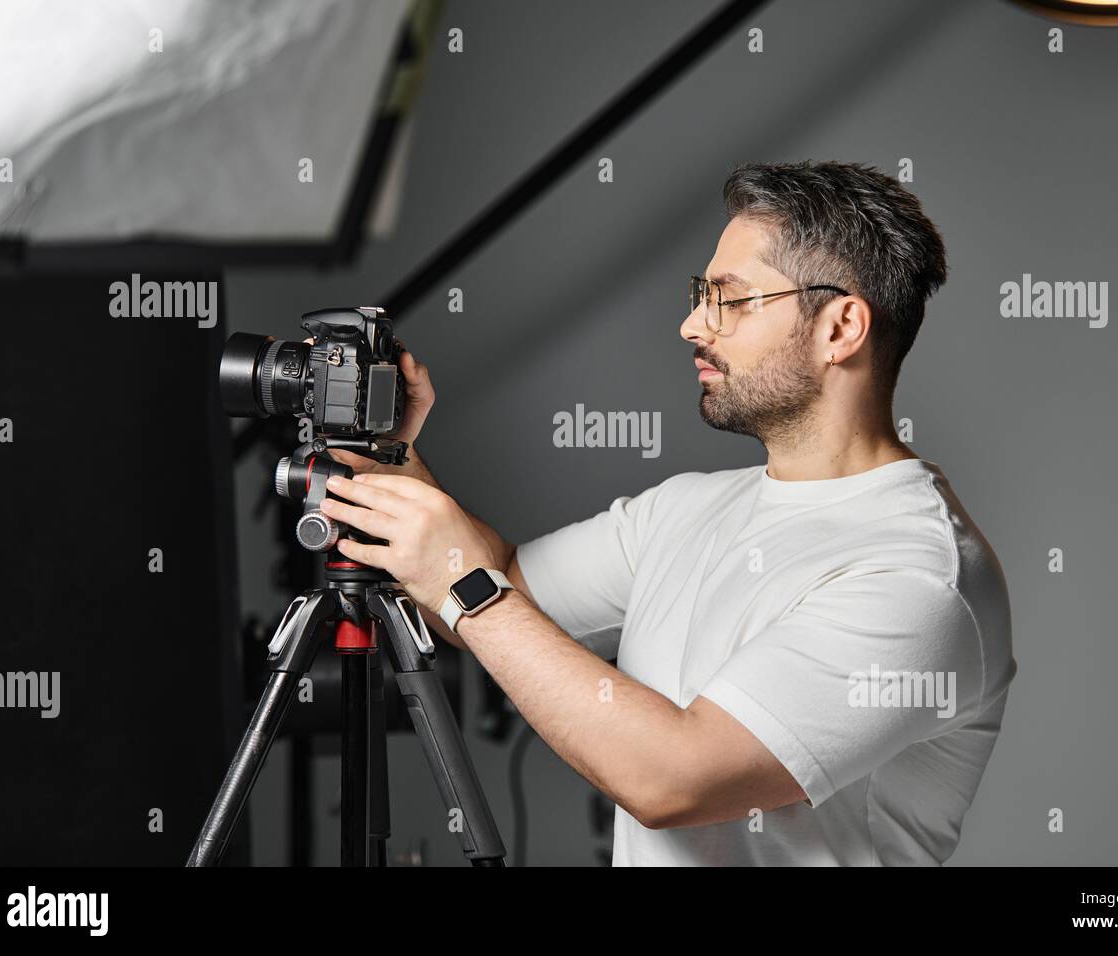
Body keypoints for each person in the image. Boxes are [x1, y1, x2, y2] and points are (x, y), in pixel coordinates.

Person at [321, 160, 1016, 866]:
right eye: (699, 295)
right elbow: (503, 585)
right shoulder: (685, 509)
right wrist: (391, 455)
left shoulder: (917, 578)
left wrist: (465, 584)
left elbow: (673, 780)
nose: (690, 325)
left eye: (728, 298)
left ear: (839, 328)